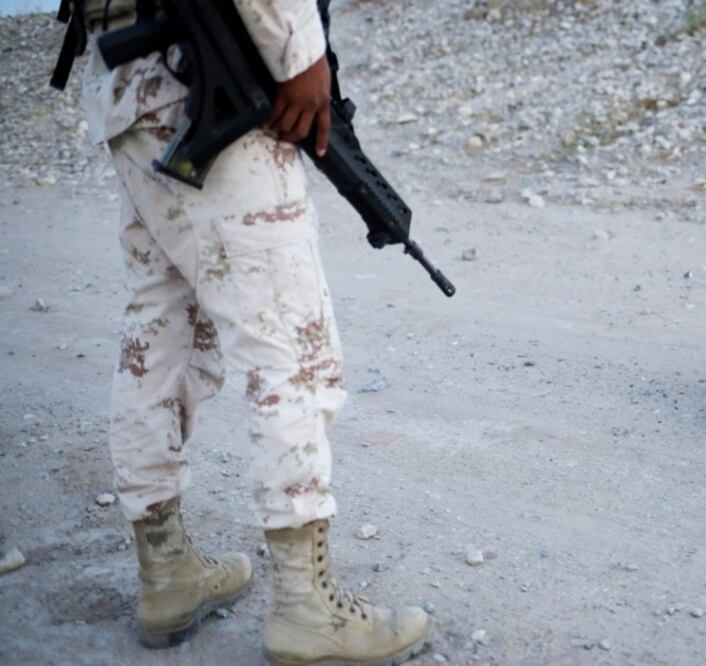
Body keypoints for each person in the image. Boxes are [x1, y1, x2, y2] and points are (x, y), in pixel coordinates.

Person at [57, 0, 431, 662]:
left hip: (130, 75)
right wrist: (299, 50)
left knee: (162, 328)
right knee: (292, 345)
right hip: (202, 61)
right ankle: (306, 608)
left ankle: (167, 572)